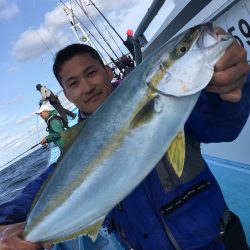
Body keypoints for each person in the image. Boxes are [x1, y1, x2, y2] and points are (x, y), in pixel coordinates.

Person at [1, 26, 250, 250]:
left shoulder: (178, 104)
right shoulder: (76, 148)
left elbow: (220, 125)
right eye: (74, 83)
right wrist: (5, 226)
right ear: (66, 94)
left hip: (218, 242)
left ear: (107, 71)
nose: (87, 87)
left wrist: (229, 87)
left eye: (91, 72)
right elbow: (41, 187)